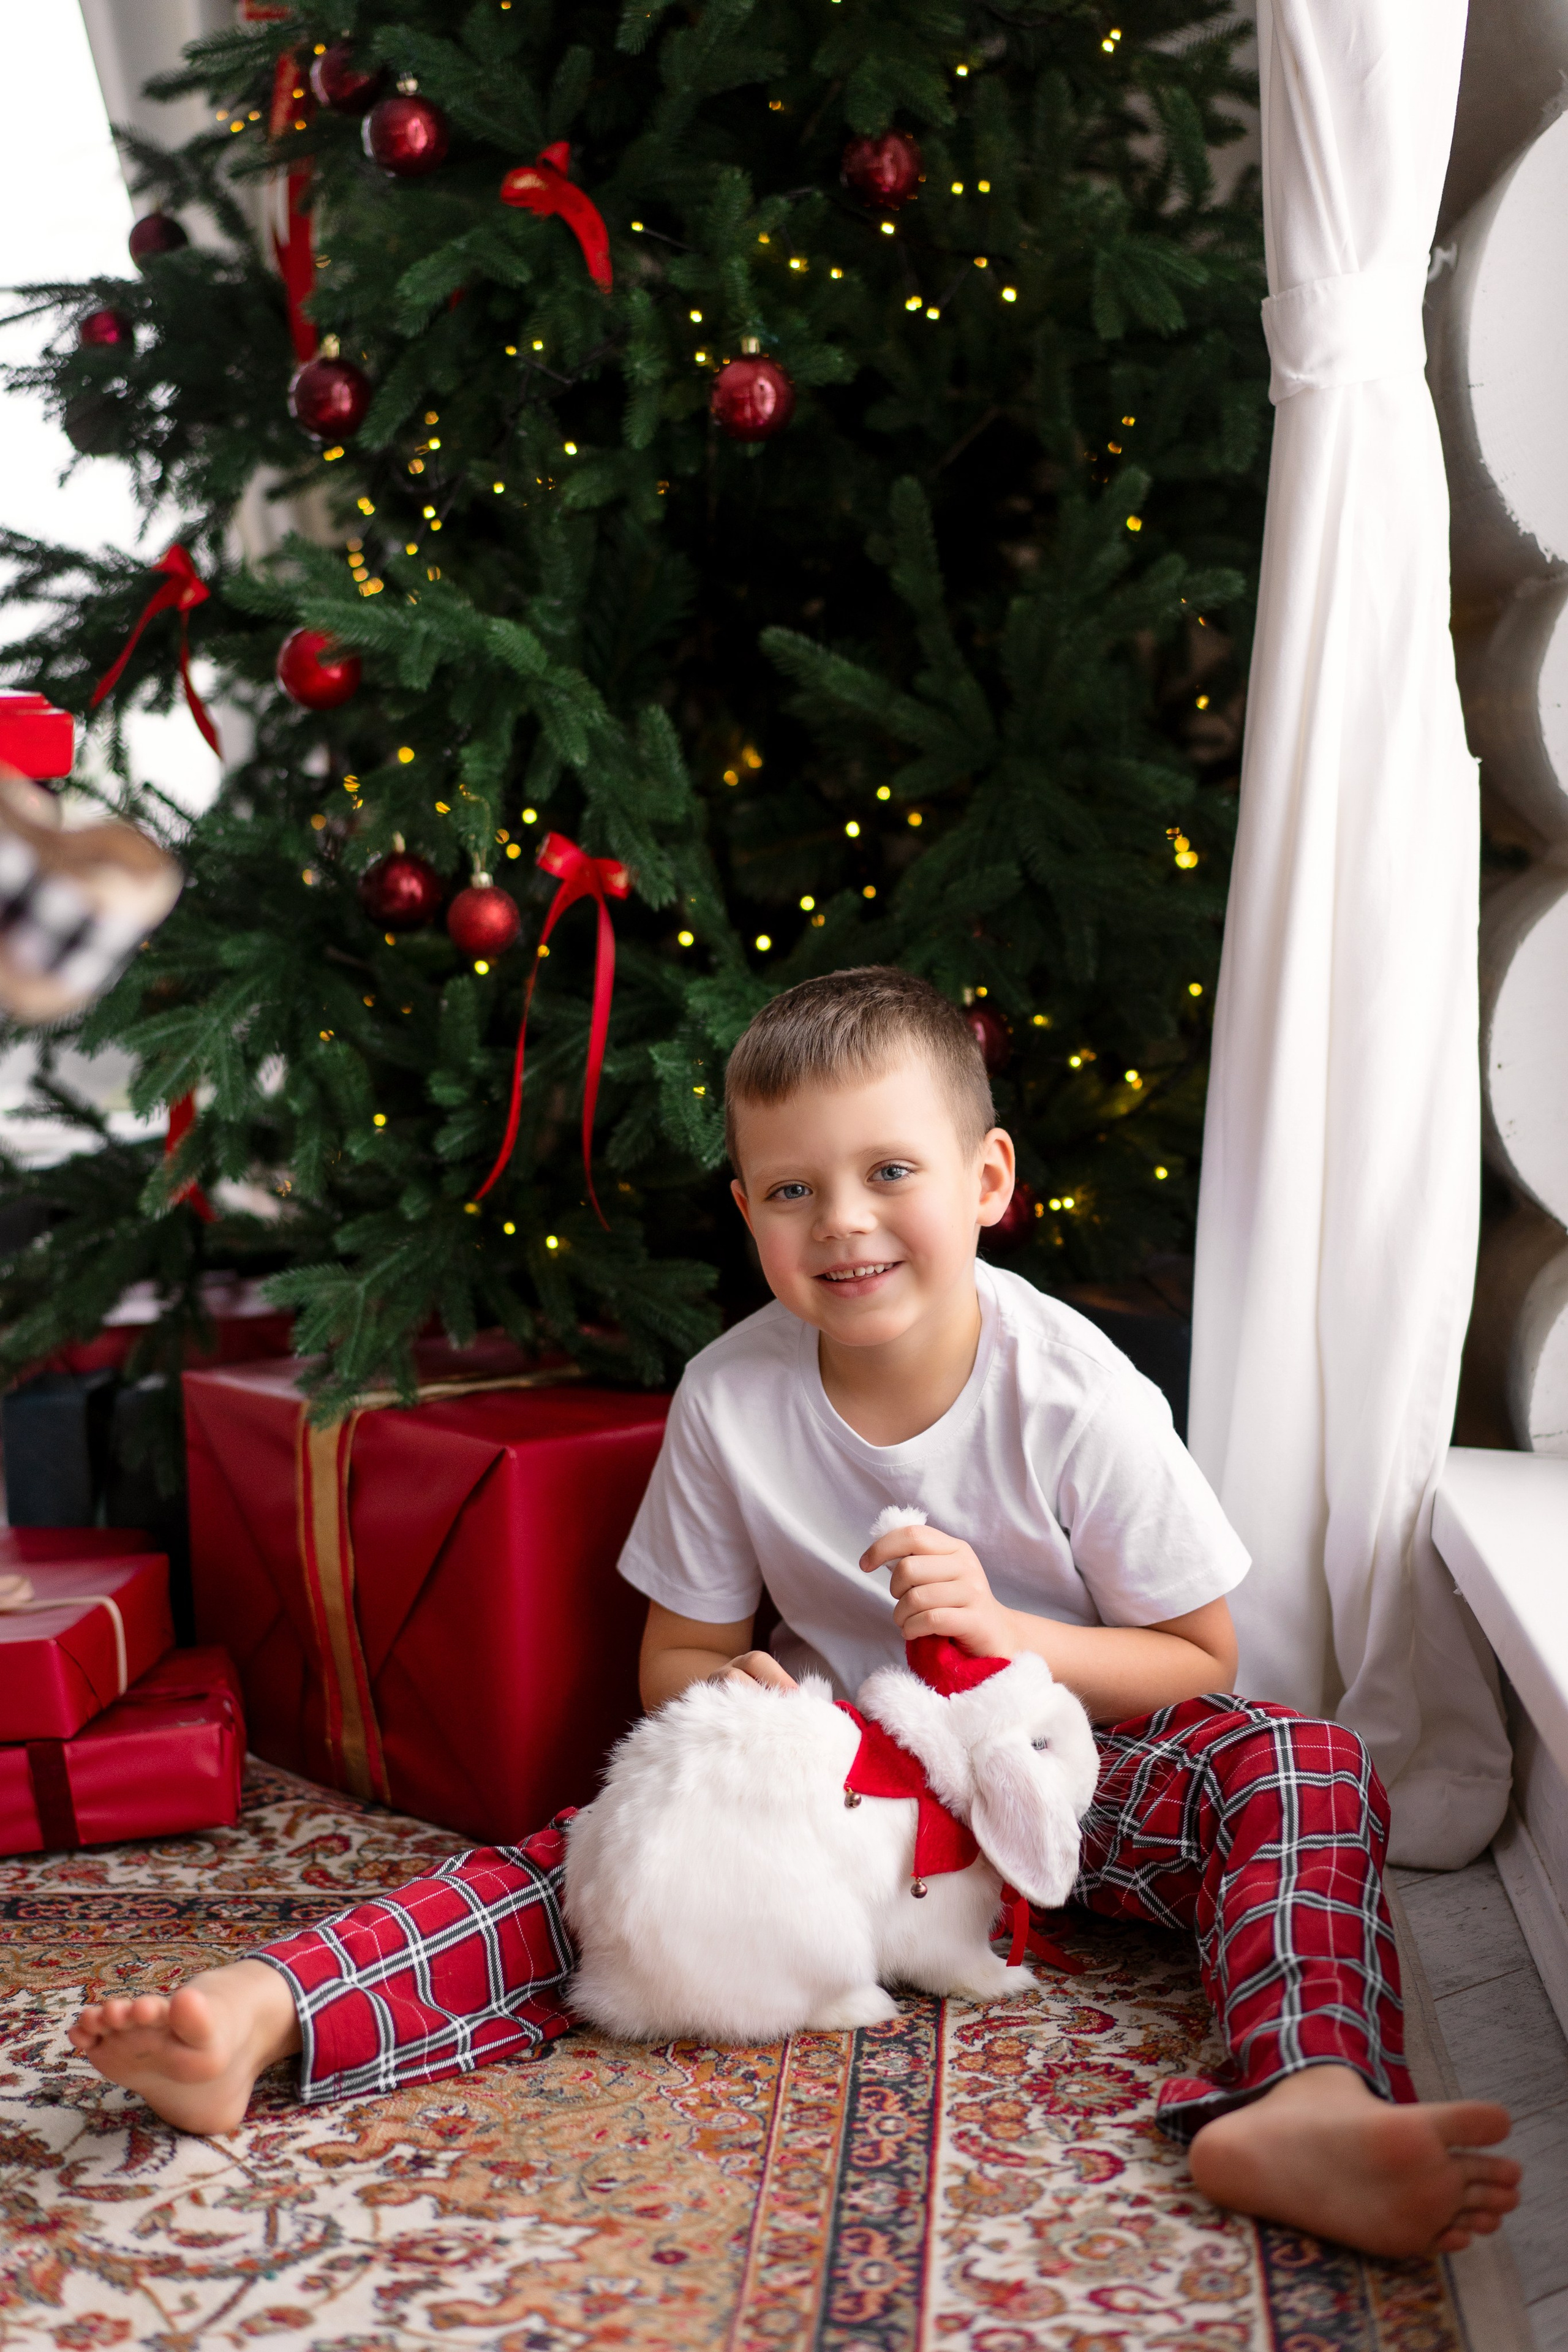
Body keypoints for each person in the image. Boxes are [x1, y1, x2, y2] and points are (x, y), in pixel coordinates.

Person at [69, 967, 1520, 2261]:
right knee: (596, 1859)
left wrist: (1012, 1637)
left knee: (1296, 1762)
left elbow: (1198, 1658)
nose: (842, 1223)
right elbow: (681, 1654)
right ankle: (266, 2013)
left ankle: (1302, 2097)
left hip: (1065, 1767)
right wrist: (734, 1696)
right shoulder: (731, 1395)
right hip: (850, 1809)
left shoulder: (1073, 1391)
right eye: (789, 1191)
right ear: (747, 1211)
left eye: (889, 1171)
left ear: (986, 1180)